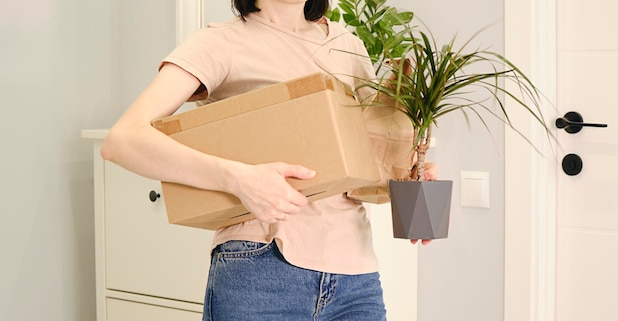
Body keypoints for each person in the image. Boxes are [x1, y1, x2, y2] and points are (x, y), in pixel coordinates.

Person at [101, 0, 436, 320]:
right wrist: (237, 179)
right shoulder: (220, 42)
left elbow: (365, 159)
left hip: (355, 276)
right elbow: (123, 140)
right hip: (261, 268)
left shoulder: (347, 45)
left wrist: (409, 179)